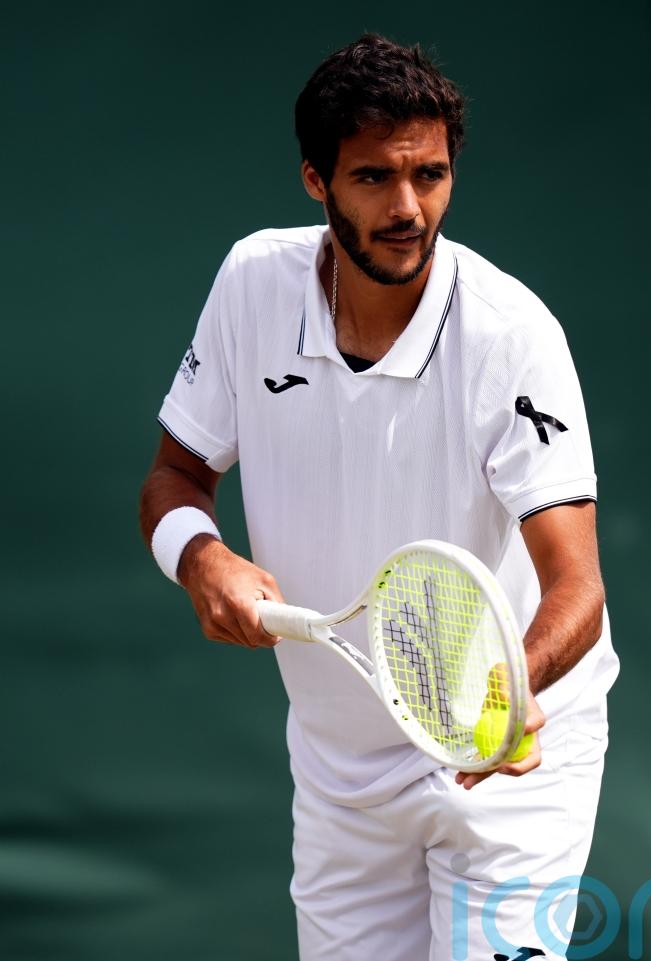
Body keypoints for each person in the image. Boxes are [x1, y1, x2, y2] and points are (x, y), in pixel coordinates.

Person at [140, 33, 619, 961]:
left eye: (431, 175)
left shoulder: (513, 335)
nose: (409, 209)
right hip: (340, 769)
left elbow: (580, 590)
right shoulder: (251, 286)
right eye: (373, 179)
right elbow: (174, 478)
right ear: (316, 180)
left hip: (508, 767)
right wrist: (202, 558)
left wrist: (502, 697)